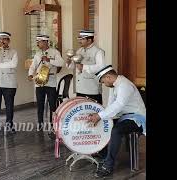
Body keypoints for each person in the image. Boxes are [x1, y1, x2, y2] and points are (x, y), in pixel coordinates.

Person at [87, 65, 146, 178]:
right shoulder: (115, 85)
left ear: (108, 77)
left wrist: (99, 116)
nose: (104, 84)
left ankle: (108, 165)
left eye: (104, 81)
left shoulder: (124, 85)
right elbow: (111, 106)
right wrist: (101, 117)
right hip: (124, 116)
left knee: (116, 131)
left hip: (136, 118)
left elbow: (118, 105)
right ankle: (104, 153)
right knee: (105, 123)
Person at [65, 29, 106, 157]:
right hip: (80, 88)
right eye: (80, 39)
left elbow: (101, 67)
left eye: (82, 39)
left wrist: (85, 67)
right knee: (82, 116)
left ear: (89, 39)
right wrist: (68, 61)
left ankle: (98, 146)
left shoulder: (98, 52)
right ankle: (85, 144)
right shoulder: (79, 51)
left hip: (92, 89)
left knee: (94, 117)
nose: (80, 41)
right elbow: (73, 67)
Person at [28, 34, 64, 133]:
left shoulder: (55, 52)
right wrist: (30, 74)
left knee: (52, 105)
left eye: (39, 42)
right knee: (40, 104)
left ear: (45, 42)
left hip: (50, 81)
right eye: (37, 42)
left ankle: (54, 125)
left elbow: (61, 63)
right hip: (39, 81)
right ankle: (40, 124)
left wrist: (49, 60)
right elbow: (33, 66)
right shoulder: (37, 54)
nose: (38, 44)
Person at [0, 32, 18, 134]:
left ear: (8, 40)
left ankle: (9, 125)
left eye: (5, 39)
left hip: (10, 83)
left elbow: (13, 64)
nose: (2, 41)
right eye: (1, 39)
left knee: (9, 105)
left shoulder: (14, 52)